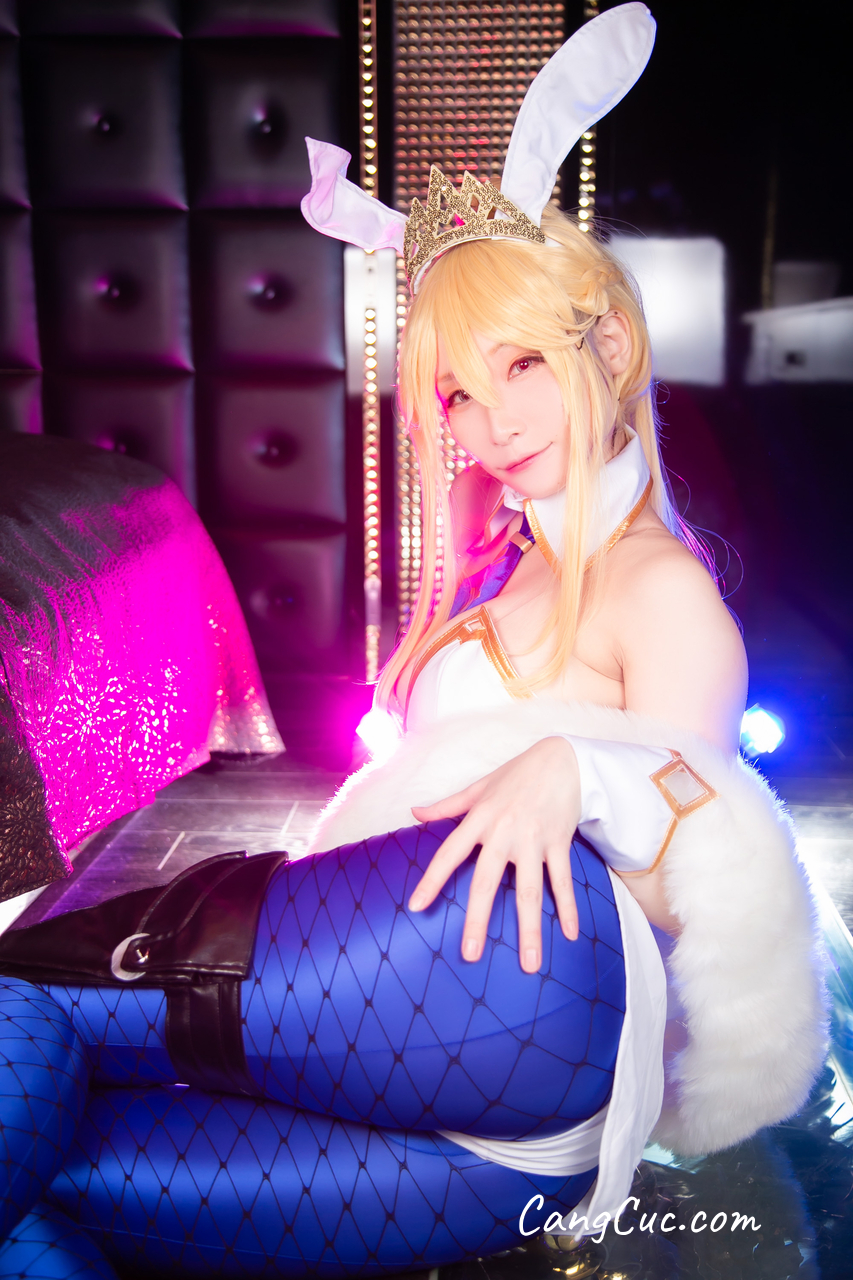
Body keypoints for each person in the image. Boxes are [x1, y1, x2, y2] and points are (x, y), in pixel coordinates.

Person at [0, 6, 826, 1276]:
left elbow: (698, 883)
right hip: (474, 1123)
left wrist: (583, 770)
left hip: (523, 999)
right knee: (54, 1171)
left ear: (606, 345)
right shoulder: (504, 573)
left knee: (21, 1001)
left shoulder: (657, 585)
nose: (492, 421)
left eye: (522, 365)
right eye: (457, 391)